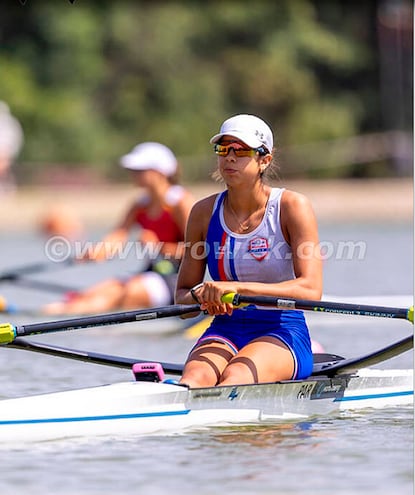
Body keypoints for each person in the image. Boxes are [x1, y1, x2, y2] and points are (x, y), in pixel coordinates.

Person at [175, 114, 322, 387]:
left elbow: (311, 291)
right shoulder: (203, 213)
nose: (230, 157)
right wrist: (201, 294)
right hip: (225, 328)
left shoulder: (292, 207)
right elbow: (182, 302)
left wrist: (235, 290)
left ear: (264, 159)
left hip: (281, 329)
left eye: (241, 150)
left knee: (236, 377)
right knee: (194, 379)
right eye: (223, 149)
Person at [43, 142, 194, 315]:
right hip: (152, 273)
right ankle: (52, 313)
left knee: (124, 294)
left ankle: (61, 317)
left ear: (160, 172)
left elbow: (199, 251)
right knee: (93, 294)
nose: (133, 174)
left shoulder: (180, 203)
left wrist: (159, 246)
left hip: (178, 282)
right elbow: (118, 236)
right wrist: (98, 251)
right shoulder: (140, 205)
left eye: (139, 170)